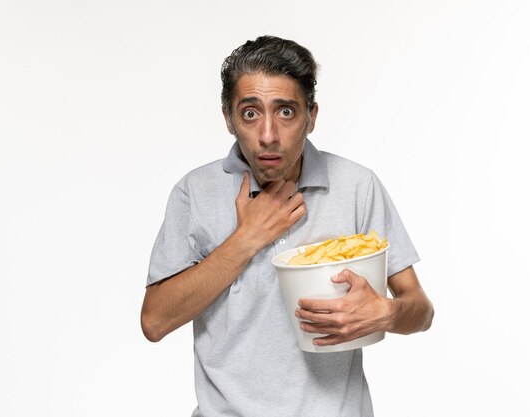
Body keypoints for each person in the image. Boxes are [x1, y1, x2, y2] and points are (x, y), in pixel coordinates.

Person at [141, 35, 434, 417]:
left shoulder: (358, 186)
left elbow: (421, 310)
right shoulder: (194, 192)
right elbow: (154, 321)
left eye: (285, 112)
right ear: (229, 119)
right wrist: (246, 239)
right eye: (250, 113)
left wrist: (388, 314)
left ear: (311, 117)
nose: (267, 136)